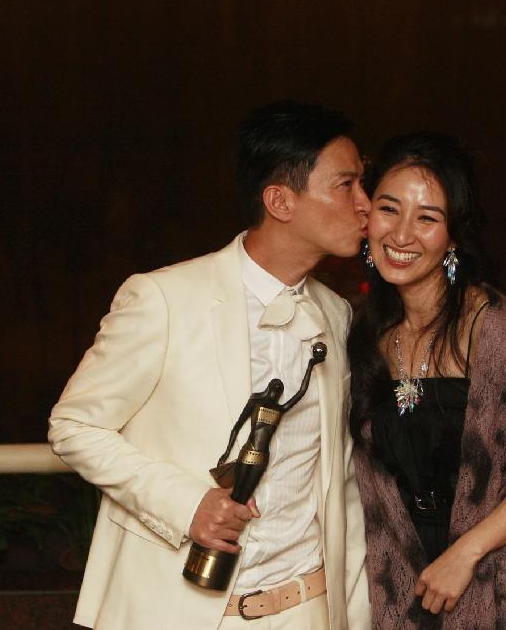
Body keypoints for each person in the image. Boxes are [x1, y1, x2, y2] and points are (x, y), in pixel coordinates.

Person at [49, 100, 372, 629]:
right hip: (182, 611)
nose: (365, 204)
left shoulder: (335, 314)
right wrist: (187, 505)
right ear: (280, 201)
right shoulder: (164, 298)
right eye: (346, 184)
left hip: (308, 609)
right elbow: (73, 426)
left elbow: (341, 482)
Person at [347, 131, 506, 629]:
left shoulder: (492, 327)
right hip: (406, 579)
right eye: (389, 209)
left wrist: (466, 553)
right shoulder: (362, 330)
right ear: (367, 215)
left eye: (427, 218)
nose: (402, 234)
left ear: (453, 235)